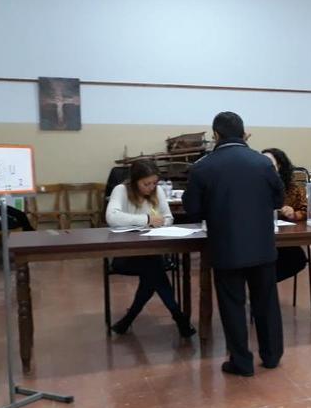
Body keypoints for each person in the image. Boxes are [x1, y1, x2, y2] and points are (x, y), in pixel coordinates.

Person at [184, 111, 284, 377]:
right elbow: (277, 200)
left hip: (226, 247)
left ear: (215, 135)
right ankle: (272, 356)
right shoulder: (263, 163)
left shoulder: (203, 166)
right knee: (266, 302)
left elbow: (192, 209)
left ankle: (241, 361)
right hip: (262, 246)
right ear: (244, 133)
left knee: (232, 305)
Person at [105, 159, 196, 338]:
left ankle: (128, 319)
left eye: (154, 183)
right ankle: (179, 317)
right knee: (155, 270)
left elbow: (168, 217)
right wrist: (146, 220)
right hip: (127, 255)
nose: (151, 187)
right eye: (146, 184)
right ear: (134, 181)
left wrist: (161, 222)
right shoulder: (121, 190)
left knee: (152, 271)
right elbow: (112, 217)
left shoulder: (158, 191)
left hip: (153, 251)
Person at [262, 147, 308, 282]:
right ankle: (263, 286)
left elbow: (306, 211)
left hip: (285, 237)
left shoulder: (293, 188)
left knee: (297, 259)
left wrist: (293, 214)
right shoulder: (254, 184)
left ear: (280, 167)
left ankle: (265, 284)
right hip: (261, 236)